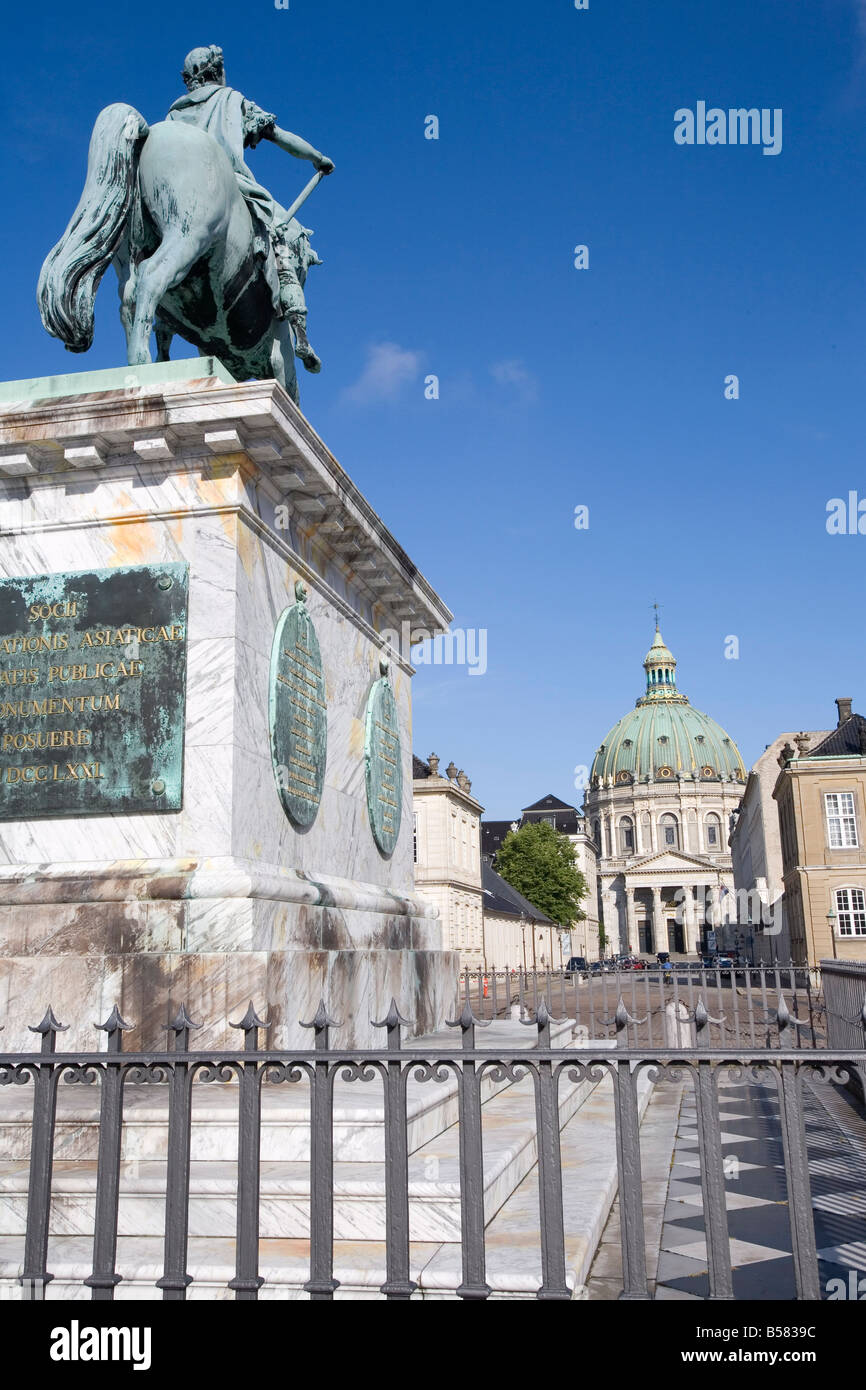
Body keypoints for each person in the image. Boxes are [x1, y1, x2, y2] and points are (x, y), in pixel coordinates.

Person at [166, 46, 334, 369]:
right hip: (231, 186)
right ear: (218, 72)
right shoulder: (232, 100)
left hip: (183, 196)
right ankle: (300, 335)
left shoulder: (173, 116)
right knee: (284, 235)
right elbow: (280, 137)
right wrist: (317, 158)